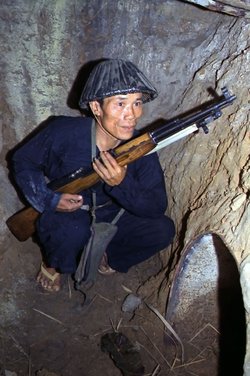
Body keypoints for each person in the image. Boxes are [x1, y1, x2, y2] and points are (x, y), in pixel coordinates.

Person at [12, 59, 175, 292]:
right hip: (71, 214)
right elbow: (23, 161)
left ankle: (109, 255)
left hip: (115, 216)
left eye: (137, 102)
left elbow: (156, 206)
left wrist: (122, 184)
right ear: (96, 108)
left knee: (162, 230)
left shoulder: (140, 147)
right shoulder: (62, 132)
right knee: (68, 231)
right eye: (120, 104)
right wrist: (49, 200)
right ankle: (55, 263)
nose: (131, 114)